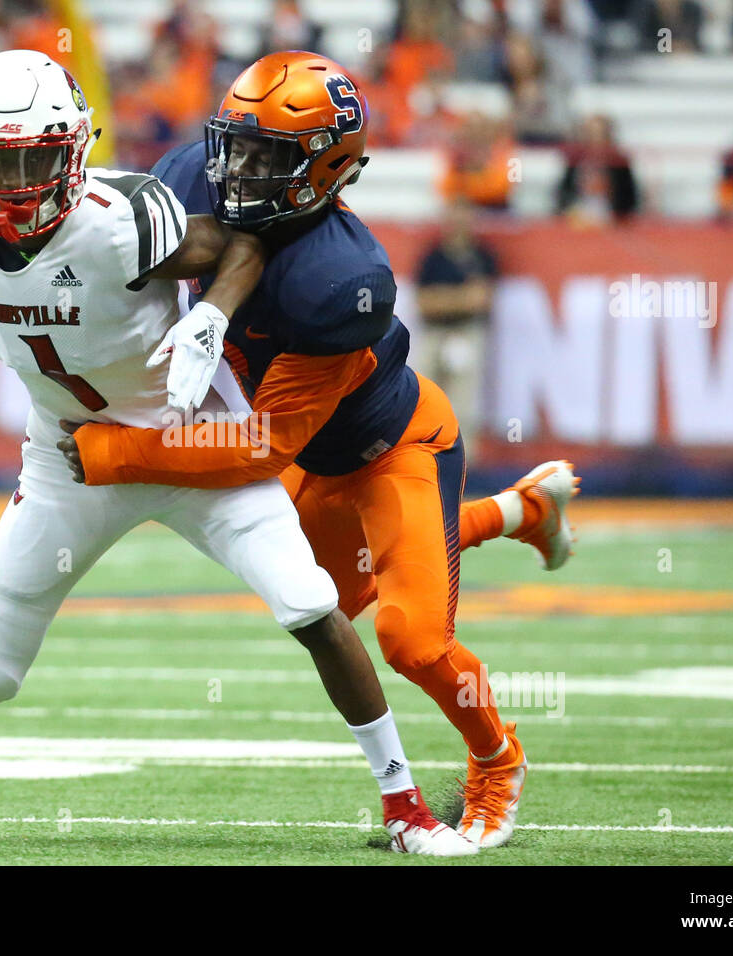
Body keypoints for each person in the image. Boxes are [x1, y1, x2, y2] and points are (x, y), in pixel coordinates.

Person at [0, 50, 477, 857]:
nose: (18, 180)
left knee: (310, 604)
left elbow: (240, 248)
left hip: (188, 434)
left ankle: (403, 803)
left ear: (76, 150)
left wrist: (211, 318)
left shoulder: (122, 216)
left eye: (35, 156)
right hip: (66, 462)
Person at [59, 52, 581, 849]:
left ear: (327, 169)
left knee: (410, 639)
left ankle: (498, 759)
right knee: (319, 605)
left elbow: (261, 449)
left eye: (271, 155)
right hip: (312, 458)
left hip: (392, 447)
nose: (240, 169)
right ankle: (521, 510)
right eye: (238, 143)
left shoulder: (338, 280)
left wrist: (112, 452)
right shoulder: (188, 178)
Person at [414, 198, 497, 450]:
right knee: (425, 397)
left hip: (465, 332)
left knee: (463, 401)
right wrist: (462, 297)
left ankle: (464, 460)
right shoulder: (433, 256)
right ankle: (425, 454)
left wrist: (443, 297)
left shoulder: (482, 256)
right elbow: (425, 302)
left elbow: (483, 299)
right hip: (435, 332)